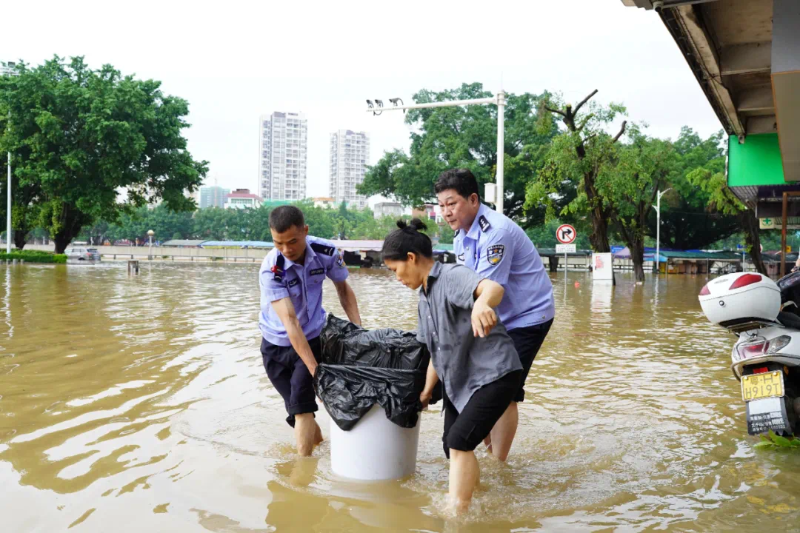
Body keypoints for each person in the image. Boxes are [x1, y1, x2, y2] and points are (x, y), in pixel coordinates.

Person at [382, 219, 523, 512]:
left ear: (411, 258)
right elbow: (437, 352)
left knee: (460, 441)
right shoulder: (424, 297)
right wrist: (425, 391)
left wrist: (483, 304)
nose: (396, 278)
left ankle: (456, 515)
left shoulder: (451, 276)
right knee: (451, 445)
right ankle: (482, 498)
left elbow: (493, 287)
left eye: (395, 270)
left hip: (495, 373)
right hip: (463, 379)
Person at [435, 168, 555, 461]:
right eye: (441, 206)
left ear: (473, 199)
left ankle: (498, 464)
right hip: (495, 314)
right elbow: (467, 288)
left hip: (528, 316)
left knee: (504, 387)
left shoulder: (496, 232)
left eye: (452, 203)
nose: (446, 212)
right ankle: (487, 448)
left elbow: (489, 292)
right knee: (482, 381)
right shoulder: (460, 237)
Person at [259, 206, 362, 456]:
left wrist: (359, 331)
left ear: (305, 231)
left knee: (303, 409)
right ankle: (323, 447)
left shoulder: (326, 253)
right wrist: (317, 372)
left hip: (312, 338)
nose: (286, 249)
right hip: (274, 346)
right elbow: (290, 322)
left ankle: (301, 474)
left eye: (293, 241)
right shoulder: (272, 269)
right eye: (278, 243)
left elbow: (343, 289)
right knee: (296, 409)